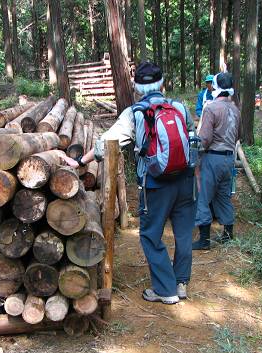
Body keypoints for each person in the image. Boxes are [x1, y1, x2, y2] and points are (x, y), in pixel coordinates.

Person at [65, 62, 196, 304]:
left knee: (150, 235)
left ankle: (165, 290)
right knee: (184, 233)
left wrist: (80, 161)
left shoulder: (135, 113)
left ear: (137, 88)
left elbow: (105, 144)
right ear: (162, 84)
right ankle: (180, 284)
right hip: (185, 181)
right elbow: (191, 136)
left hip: (156, 184)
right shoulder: (178, 107)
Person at [192, 72, 240, 250]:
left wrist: (196, 154)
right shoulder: (236, 109)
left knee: (203, 196)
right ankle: (228, 234)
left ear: (216, 86)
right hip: (229, 159)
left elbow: (204, 138)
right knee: (223, 197)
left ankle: (204, 239)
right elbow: (238, 136)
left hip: (212, 158)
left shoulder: (211, 108)